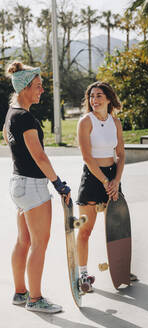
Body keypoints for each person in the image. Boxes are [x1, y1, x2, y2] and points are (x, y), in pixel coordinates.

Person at [3, 61, 71, 314]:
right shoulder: (26, 118)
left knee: (24, 241)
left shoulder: (11, 114)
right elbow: (39, 156)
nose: (42, 90)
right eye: (38, 86)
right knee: (39, 244)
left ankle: (20, 293)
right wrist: (58, 184)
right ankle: (35, 298)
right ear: (24, 89)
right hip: (32, 186)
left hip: (17, 184)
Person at [76, 81, 137, 292]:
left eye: (99, 95)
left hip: (112, 178)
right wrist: (104, 181)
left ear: (109, 98)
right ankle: (83, 275)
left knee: (118, 228)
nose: (94, 100)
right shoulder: (86, 121)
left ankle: (121, 269)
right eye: (91, 96)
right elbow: (86, 156)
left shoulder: (115, 122)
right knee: (85, 230)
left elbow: (120, 154)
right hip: (93, 178)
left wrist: (116, 180)